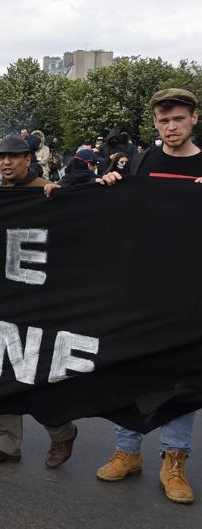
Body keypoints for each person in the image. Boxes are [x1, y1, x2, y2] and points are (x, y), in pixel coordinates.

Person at [95, 88, 202, 505]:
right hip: (139, 287)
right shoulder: (140, 163)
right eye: (163, 121)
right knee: (131, 369)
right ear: (154, 124)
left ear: (193, 118)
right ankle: (127, 450)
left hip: (190, 290)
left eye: (177, 119)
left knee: (183, 376)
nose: (171, 127)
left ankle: (174, 461)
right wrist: (107, 187)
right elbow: (117, 219)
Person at [0, 134, 78, 467]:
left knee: (38, 372)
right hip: (1, 297)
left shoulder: (47, 191)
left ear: (28, 160)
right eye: (1, 157)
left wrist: (62, 200)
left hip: (39, 301)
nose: (6, 163)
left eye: (14, 157)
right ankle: (6, 442)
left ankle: (62, 434)